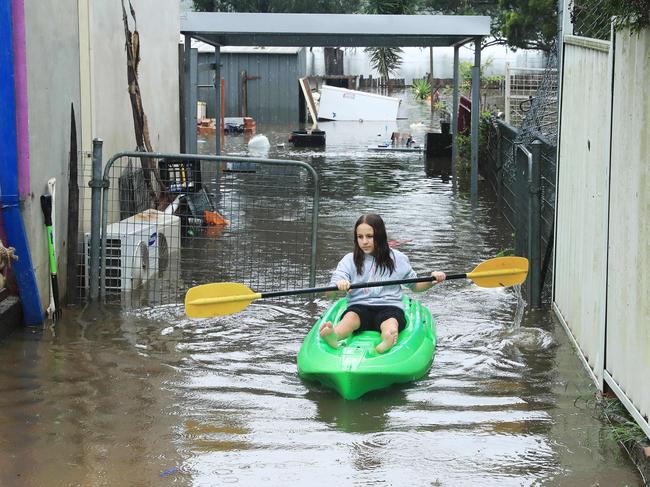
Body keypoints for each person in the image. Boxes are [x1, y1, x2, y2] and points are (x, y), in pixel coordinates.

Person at [319, 213, 446, 353]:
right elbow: (329, 294)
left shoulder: (398, 259)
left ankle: (388, 338)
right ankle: (334, 335)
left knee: (390, 322)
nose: (364, 242)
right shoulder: (349, 260)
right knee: (350, 318)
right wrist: (338, 286)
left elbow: (415, 286)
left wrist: (431, 280)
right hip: (359, 307)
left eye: (369, 236)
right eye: (360, 237)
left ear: (379, 235)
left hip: (389, 307)